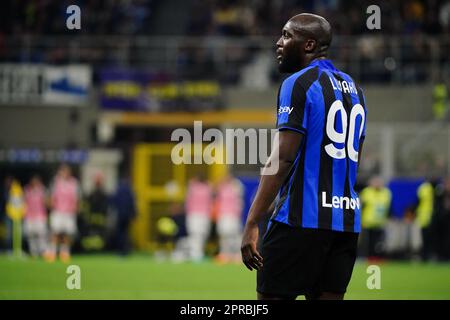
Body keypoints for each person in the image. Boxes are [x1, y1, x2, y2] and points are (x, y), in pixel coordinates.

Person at [241, 13, 367, 300]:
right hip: (345, 225)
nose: (278, 42)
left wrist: (251, 222)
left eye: (287, 35)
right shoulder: (356, 91)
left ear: (309, 45)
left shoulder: (299, 83)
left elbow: (282, 159)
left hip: (299, 222)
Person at [44, 164, 80, 263]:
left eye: (66, 171)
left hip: (69, 212)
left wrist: (76, 207)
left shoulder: (74, 183)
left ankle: (64, 253)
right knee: (55, 232)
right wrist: (50, 205)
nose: (65, 173)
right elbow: (50, 195)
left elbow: (77, 197)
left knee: (67, 234)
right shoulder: (55, 182)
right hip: (58, 211)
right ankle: (52, 252)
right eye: (63, 171)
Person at [359, 176, 392, 260]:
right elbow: (361, 207)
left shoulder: (386, 193)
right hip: (368, 222)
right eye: (375, 182)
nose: (377, 184)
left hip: (380, 222)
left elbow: (389, 207)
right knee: (368, 242)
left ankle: (378, 257)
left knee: (379, 243)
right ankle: (367, 257)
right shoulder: (366, 192)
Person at [215, 174, 244, 263]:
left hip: (233, 215)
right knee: (224, 235)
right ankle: (224, 254)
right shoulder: (222, 188)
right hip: (223, 214)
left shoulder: (236, 186)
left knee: (235, 235)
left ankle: (238, 255)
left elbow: (239, 200)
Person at [184, 174, 213, 261]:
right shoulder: (194, 187)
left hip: (202, 214)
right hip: (195, 214)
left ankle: (198, 253)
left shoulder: (206, 188)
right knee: (195, 234)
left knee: (201, 235)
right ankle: (195, 254)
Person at [24, 175, 48, 258]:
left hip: (40, 215)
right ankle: (33, 251)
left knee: (41, 234)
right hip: (29, 215)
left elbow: (46, 202)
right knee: (31, 234)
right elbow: (24, 201)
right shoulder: (27, 190)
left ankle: (43, 250)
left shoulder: (42, 190)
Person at [112, 174, 136, 256]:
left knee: (120, 233)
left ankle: (120, 250)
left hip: (120, 215)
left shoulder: (118, 189)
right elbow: (132, 203)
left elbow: (114, 201)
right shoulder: (129, 190)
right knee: (126, 233)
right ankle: (126, 250)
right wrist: (134, 214)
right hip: (127, 215)